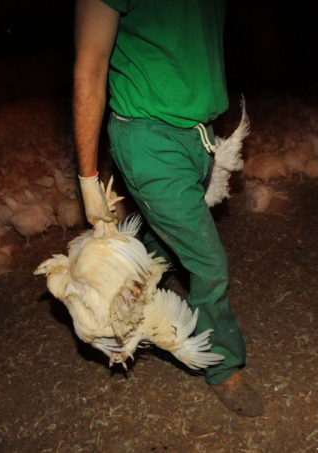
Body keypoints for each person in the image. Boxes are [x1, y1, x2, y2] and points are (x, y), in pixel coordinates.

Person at [73, 0, 264, 417]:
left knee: (162, 235)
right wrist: (88, 180)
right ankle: (223, 366)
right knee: (208, 263)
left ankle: (129, 293)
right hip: (149, 136)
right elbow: (91, 63)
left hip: (198, 135)